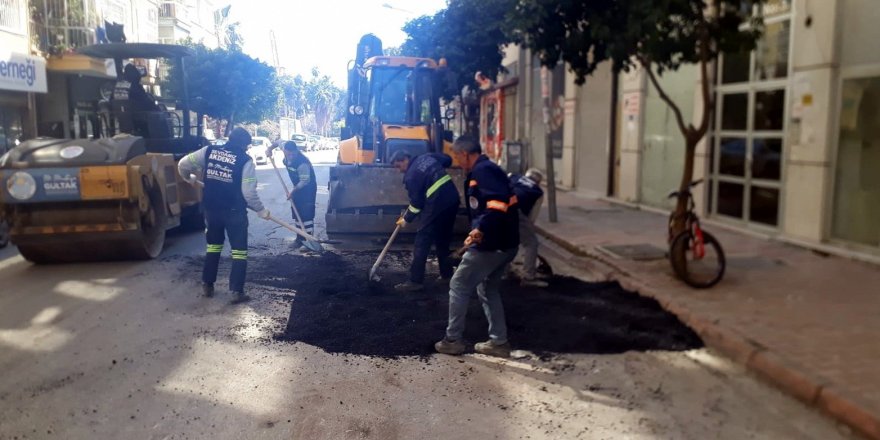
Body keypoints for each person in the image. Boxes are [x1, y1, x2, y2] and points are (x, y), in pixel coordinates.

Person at [435, 136, 519, 358]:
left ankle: (452, 340)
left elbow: (497, 204)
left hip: (492, 244)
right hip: (506, 243)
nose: (456, 161)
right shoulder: (486, 170)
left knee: (459, 284)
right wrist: (478, 228)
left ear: (465, 154)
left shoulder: (483, 171)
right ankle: (499, 342)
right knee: (487, 288)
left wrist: (481, 228)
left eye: (457, 156)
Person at [178, 127, 270, 304]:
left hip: (211, 210)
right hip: (234, 212)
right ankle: (236, 291)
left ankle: (207, 285)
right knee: (239, 252)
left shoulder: (209, 151)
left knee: (213, 246)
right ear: (244, 145)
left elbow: (183, 164)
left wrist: (188, 178)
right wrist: (260, 209)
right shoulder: (245, 161)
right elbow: (248, 193)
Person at [389, 150, 460, 292]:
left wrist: (406, 219)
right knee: (442, 240)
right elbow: (447, 160)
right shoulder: (427, 157)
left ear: (405, 159)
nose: (399, 170)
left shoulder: (411, 176)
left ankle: (415, 281)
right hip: (452, 200)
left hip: (437, 205)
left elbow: (417, 204)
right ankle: (446, 275)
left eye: (399, 166)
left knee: (422, 241)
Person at [510, 168, 547, 287]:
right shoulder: (538, 192)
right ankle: (528, 276)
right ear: (538, 182)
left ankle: (502, 272)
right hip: (516, 210)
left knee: (506, 240)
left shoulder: (513, 176)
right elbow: (532, 218)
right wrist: (527, 231)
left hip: (497, 208)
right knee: (531, 243)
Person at [279, 140, 317, 247]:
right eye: (288, 154)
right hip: (297, 188)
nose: (291, 156)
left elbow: (304, 181)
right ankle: (300, 239)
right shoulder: (284, 148)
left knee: (306, 215)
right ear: (285, 151)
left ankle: (309, 241)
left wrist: (292, 192)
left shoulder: (302, 163)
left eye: (293, 154)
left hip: (308, 189)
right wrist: (269, 149)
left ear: (297, 151)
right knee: (297, 213)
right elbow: (278, 142)